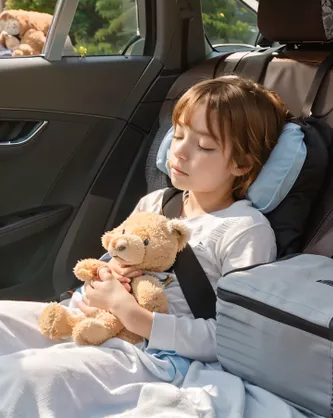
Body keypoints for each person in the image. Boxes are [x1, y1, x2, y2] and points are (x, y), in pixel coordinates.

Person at [0, 75, 289, 417]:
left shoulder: (245, 231)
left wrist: (131, 313)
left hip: (157, 355)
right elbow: (111, 261)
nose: (179, 150)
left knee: (27, 376)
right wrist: (100, 285)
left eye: (205, 146)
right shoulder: (156, 202)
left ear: (240, 164)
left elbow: (234, 339)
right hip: (91, 318)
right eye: (179, 134)